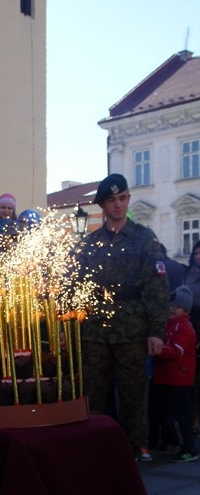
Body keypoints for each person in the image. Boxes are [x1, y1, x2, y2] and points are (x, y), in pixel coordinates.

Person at [76, 174, 170, 461]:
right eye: (111, 200)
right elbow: (76, 287)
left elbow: (157, 287)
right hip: (95, 331)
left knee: (133, 391)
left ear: (128, 199)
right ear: (102, 205)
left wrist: (156, 331)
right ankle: (93, 445)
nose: (118, 205)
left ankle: (136, 446)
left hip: (132, 329)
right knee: (93, 391)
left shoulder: (144, 238)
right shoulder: (90, 243)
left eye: (122, 198)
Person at [152, 285, 198, 462]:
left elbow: (176, 351)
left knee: (176, 417)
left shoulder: (185, 327)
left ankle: (188, 448)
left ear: (185, 310)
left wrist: (157, 349)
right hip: (165, 377)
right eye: (170, 305)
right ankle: (170, 442)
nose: (171, 308)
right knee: (164, 414)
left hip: (179, 379)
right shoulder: (167, 324)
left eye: (177, 306)